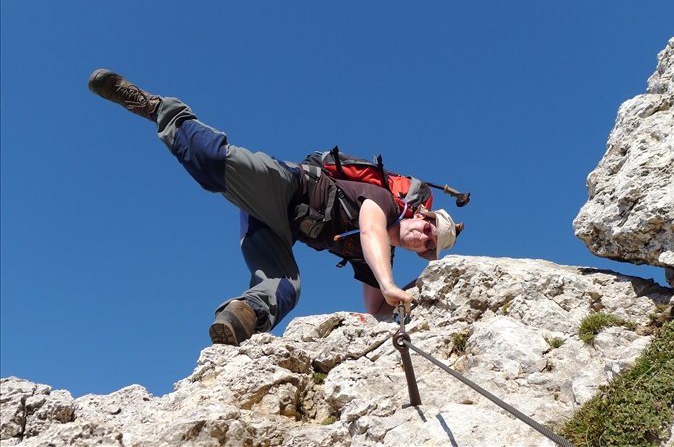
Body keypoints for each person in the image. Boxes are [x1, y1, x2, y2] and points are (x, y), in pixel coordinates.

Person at [88, 69, 463, 346]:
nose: (424, 239)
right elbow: (370, 228)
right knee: (211, 162)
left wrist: (418, 288)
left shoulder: (377, 258)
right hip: (288, 186)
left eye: (429, 247)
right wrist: (388, 282)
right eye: (429, 229)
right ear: (421, 214)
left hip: (277, 230)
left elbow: (378, 310)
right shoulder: (383, 204)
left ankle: (240, 318)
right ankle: (157, 108)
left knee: (286, 287)